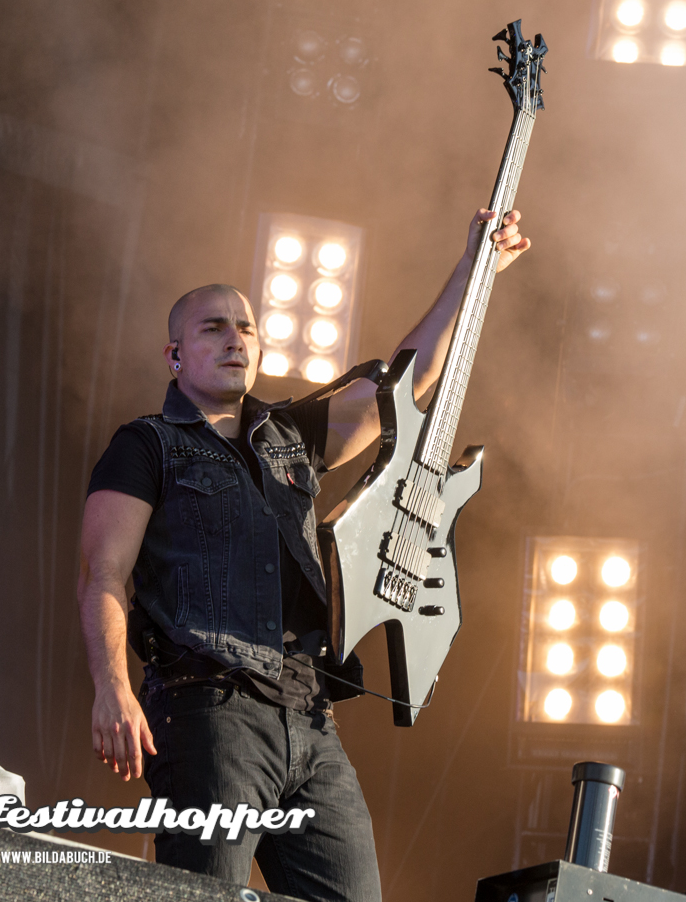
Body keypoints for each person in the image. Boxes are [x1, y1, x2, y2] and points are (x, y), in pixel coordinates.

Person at [76, 208, 529, 901]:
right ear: (175, 355)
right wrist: (111, 688)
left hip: (312, 720)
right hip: (210, 710)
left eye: (247, 326)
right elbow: (102, 572)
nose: (236, 338)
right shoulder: (147, 446)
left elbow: (406, 386)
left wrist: (474, 274)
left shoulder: (290, 434)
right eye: (213, 327)